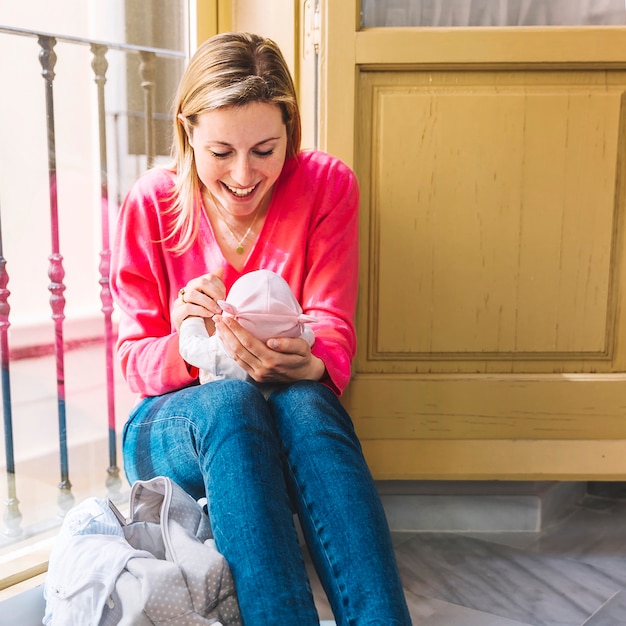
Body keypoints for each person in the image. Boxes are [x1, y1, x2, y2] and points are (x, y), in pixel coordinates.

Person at [110, 31, 412, 625]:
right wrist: (188, 346)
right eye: (220, 152)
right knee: (230, 399)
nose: (244, 175)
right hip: (170, 428)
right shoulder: (152, 202)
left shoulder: (326, 185)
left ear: (290, 133)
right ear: (188, 132)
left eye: (265, 150)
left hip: (282, 412)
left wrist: (312, 360)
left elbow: (330, 323)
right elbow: (131, 358)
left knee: (305, 403)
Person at [178, 269, 317, 392]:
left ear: (229, 312)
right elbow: (309, 335)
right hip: (285, 395)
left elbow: (189, 346)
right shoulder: (295, 342)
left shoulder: (218, 349)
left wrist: (192, 317)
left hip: (223, 399)